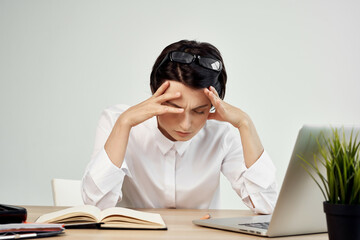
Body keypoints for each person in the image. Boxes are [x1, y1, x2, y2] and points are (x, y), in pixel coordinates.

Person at [81, 40, 277, 214]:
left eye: (199, 111)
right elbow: (96, 206)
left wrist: (245, 124)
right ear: (154, 92)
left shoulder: (222, 132)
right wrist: (124, 124)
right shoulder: (118, 121)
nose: (186, 124)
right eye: (174, 108)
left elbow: (266, 204)